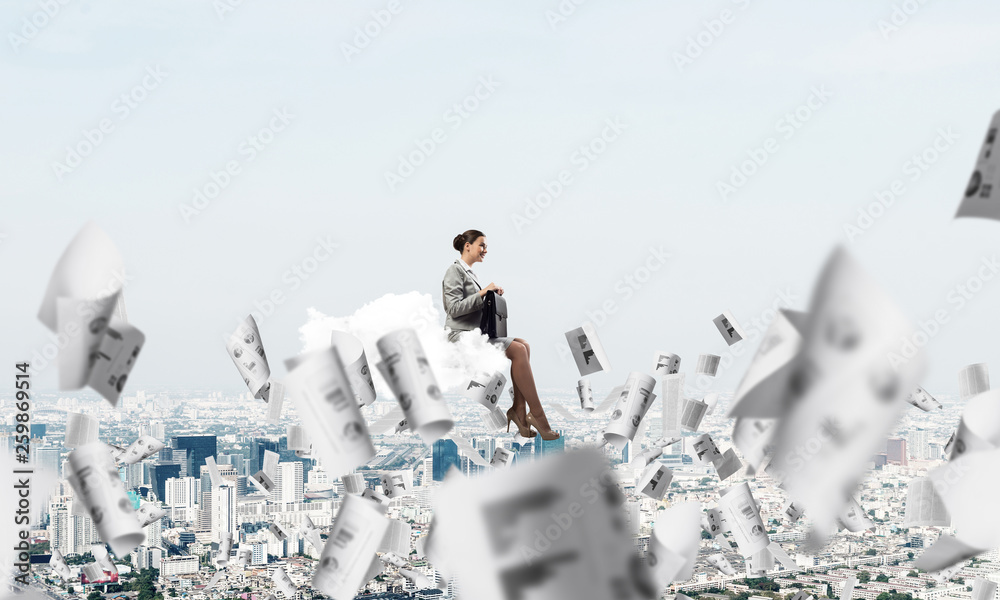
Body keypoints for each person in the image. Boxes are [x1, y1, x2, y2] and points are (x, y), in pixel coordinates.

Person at [442, 229, 559, 440]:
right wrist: (483, 293)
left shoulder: (468, 272)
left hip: (473, 334)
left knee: (524, 345)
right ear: (467, 246)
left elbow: (472, 306)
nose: (485, 250)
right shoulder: (454, 271)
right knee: (518, 350)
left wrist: (490, 296)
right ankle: (537, 415)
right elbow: (453, 309)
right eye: (481, 245)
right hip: (460, 337)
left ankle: (519, 412)